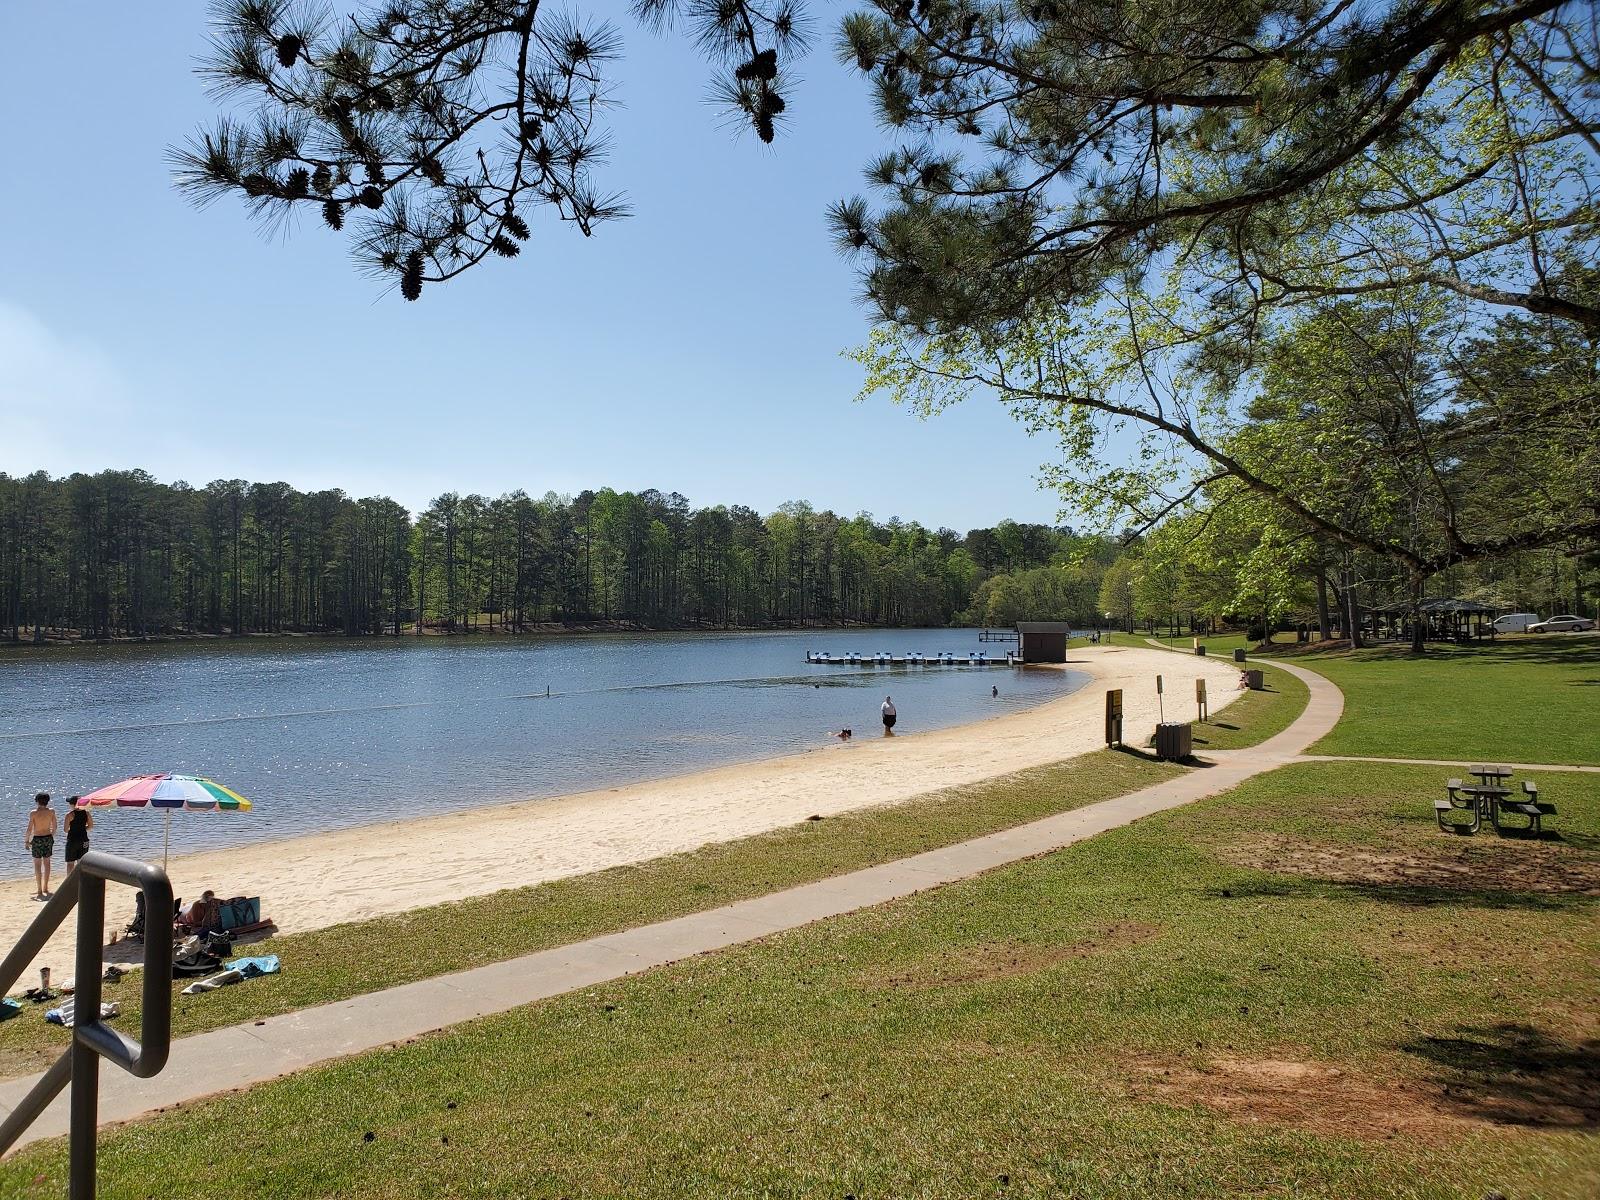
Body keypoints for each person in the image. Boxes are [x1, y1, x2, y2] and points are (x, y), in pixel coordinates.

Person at [25, 793, 56, 900]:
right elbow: (55, 826)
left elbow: (29, 829)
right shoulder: (51, 811)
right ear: (47, 801)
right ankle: (45, 887)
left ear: (37, 801)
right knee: (47, 863)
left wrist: (26, 841)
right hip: (47, 837)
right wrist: (51, 836)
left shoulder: (33, 813)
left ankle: (39, 889)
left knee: (37, 864)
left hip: (37, 839)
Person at [63, 799, 92, 875]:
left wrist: (73, 829)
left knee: (70, 863)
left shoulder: (69, 815)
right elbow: (91, 826)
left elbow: (65, 830)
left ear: (73, 805)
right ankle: (81, 880)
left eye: (70, 803)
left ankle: (69, 881)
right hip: (84, 840)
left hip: (72, 840)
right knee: (81, 862)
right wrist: (82, 828)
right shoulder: (87, 813)